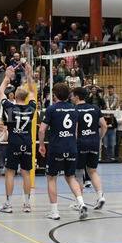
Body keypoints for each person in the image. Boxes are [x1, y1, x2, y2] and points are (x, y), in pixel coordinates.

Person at [38, 83, 88, 220]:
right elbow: (76, 132)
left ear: (54, 95)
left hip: (57, 148)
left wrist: (41, 145)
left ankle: (54, 212)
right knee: (70, 177)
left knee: (51, 177)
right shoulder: (74, 109)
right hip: (71, 147)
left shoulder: (51, 109)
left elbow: (42, 130)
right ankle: (81, 204)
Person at [0, 64, 36, 214]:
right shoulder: (31, 107)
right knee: (26, 173)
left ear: (16, 96)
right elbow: (32, 91)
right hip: (27, 143)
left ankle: (8, 204)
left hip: (14, 143)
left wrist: (7, 77)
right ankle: (27, 204)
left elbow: (1, 92)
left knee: (10, 173)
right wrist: (29, 75)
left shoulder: (10, 107)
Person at [71, 87, 108, 211]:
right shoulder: (95, 109)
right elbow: (104, 126)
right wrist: (99, 139)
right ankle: (100, 196)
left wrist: (74, 143)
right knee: (92, 171)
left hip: (80, 144)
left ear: (77, 96)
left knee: (78, 172)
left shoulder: (75, 110)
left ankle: (78, 202)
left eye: (72, 96)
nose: (71, 98)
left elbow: (75, 130)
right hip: (94, 143)